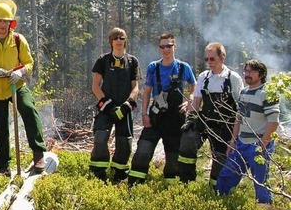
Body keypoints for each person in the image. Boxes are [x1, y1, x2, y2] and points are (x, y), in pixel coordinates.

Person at [0, 0, 47, 176]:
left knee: (29, 110)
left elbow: (29, 62)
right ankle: (3, 165)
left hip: (17, 84)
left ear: (11, 23)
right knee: (1, 127)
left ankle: (38, 154)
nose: (2, 25)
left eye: (6, 21)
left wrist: (21, 72)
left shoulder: (19, 40)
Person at [128, 33, 196, 185]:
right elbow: (146, 92)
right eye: (162, 46)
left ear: (174, 46)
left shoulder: (184, 67)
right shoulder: (153, 67)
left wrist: (190, 101)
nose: (165, 49)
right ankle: (134, 186)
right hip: (156, 115)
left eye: (169, 46)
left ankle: (170, 191)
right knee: (143, 151)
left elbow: (194, 86)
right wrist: (144, 114)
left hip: (176, 117)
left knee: (173, 158)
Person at [178, 42, 243, 185]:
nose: (209, 63)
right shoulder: (203, 77)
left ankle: (215, 191)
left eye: (212, 59)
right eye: (206, 59)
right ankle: (185, 182)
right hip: (205, 121)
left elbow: (241, 108)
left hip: (224, 127)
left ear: (222, 58)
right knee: (187, 141)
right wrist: (190, 120)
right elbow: (196, 103)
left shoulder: (233, 78)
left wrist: (234, 137)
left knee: (220, 163)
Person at [216, 60, 279, 204]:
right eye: (245, 71)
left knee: (261, 182)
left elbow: (273, 122)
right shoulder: (244, 92)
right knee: (226, 176)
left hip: (258, 144)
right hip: (241, 144)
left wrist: (262, 145)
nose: (247, 74)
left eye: (251, 71)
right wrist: (233, 140)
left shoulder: (268, 93)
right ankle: (219, 204)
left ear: (261, 74)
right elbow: (238, 118)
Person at [90, 27, 140, 182]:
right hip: (106, 108)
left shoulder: (132, 61)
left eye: (122, 38)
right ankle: (98, 175)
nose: (119, 40)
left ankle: (119, 176)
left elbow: (135, 87)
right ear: (111, 41)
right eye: (116, 38)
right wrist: (107, 104)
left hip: (124, 109)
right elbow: (95, 86)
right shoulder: (103, 60)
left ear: (126, 41)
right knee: (100, 137)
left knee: (125, 142)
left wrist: (127, 104)